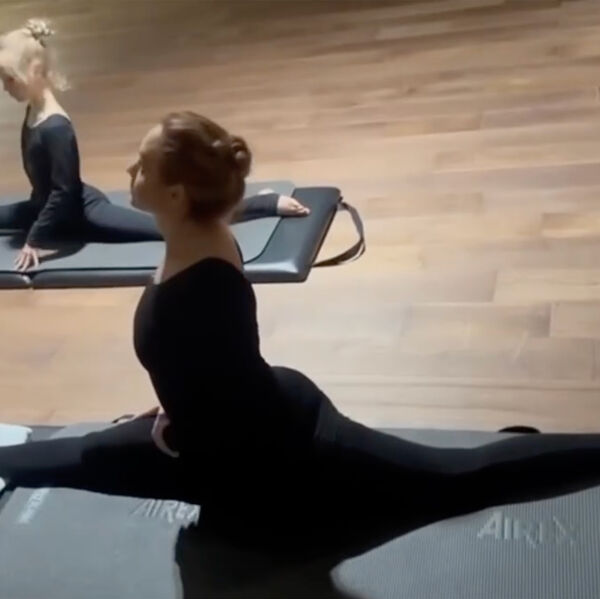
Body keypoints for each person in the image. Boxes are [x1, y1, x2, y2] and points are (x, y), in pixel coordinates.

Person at [2, 109, 600, 542]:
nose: (129, 170)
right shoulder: (196, 228)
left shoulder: (200, 286)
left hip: (273, 454)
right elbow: (211, 358)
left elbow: (224, 383)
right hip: (236, 420)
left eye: (141, 165)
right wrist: (173, 406)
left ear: (178, 195)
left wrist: (179, 426)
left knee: (459, 479)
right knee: (80, 455)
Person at [0, 19, 309, 272]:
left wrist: (35, 238)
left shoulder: (56, 128)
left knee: (170, 226)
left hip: (79, 212)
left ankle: (260, 204)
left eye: (9, 79)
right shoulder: (34, 113)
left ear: (35, 72)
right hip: (43, 205)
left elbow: (64, 193)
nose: (5, 87)